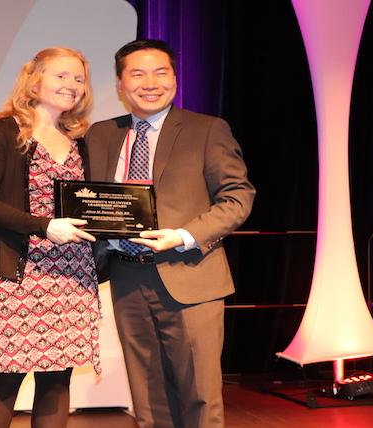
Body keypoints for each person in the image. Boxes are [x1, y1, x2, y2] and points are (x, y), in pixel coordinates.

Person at [85, 39, 255, 428]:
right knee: (147, 396)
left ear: (175, 79)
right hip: (126, 276)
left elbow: (237, 198)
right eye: (137, 73)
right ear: (120, 83)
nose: (150, 82)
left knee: (199, 394)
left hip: (190, 273)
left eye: (161, 72)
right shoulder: (101, 134)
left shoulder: (207, 129)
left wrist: (182, 235)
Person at [0, 47, 100, 428]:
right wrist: (44, 226)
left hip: (74, 275)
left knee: (58, 380)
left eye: (78, 79)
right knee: (5, 379)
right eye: (62, 76)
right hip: (16, 274)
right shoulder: (1, 132)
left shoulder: (81, 139)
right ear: (35, 79)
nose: (72, 86)